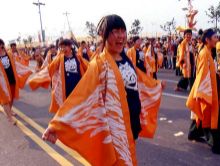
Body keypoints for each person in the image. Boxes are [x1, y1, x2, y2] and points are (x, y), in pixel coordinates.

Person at [42, 14, 165, 166]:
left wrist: (156, 85)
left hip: (131, 121)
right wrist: (56, 125)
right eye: (115, 31)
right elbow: (82, 96)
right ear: (103, 35)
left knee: (128, 156)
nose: (120, 36)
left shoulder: (125, 58)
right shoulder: (99, 64)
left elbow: (139, 79)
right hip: (114, 127)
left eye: (122, 31)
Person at [186, 29, 220, 155]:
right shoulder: (204, 53)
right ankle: (216, 146)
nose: (217, 39)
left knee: (201, 114)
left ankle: (193, 134)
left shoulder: (207, 51)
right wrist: (204, 93)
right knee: (217, 118)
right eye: (215, 37)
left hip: (208, 88)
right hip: (207, 90)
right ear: (207, 40)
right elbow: (202, 75)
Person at [29, 39, 89, 114]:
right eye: (61, 47)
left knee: (79, 109)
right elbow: (50, 68)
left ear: (70, 46)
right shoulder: (59, 58)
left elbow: (88, 66)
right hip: (67, 89)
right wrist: (38, 78)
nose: (63, 49)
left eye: (64, 47)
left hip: (78, 88)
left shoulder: (78, 57)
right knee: (68, 110)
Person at [0, 38, 32, 125]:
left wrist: (26, 70)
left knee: (12, 98)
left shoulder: (9, 54)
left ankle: (9, 111)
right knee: (5, 100)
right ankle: (10, 118)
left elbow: (16, 65)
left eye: (1, 44)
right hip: (2, 84)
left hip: (12, 80)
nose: (0, 47)